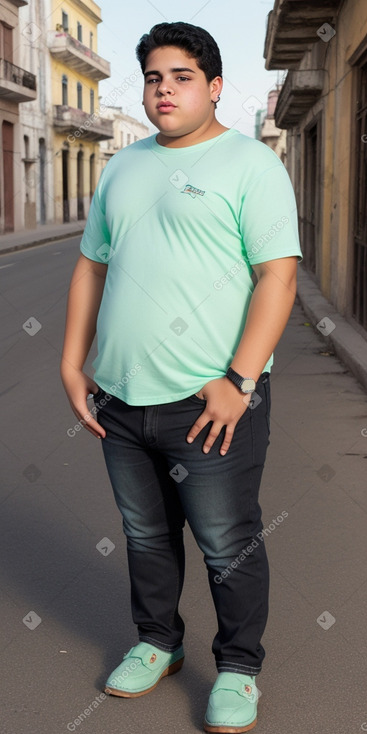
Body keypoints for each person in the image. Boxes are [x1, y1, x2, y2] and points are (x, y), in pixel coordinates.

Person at [60, 21, 302, 733]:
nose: (165, 90)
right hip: (121, 398)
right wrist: (72, 363)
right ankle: (157, 642)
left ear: (214, 86)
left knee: (227, 543)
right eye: (155, 78)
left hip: (211, 403)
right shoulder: (121, 166)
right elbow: (91, 266)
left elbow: (277, 278)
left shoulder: (250, 165)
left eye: (182, 77)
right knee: (145, 536)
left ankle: (237, 667)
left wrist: (238, 378)